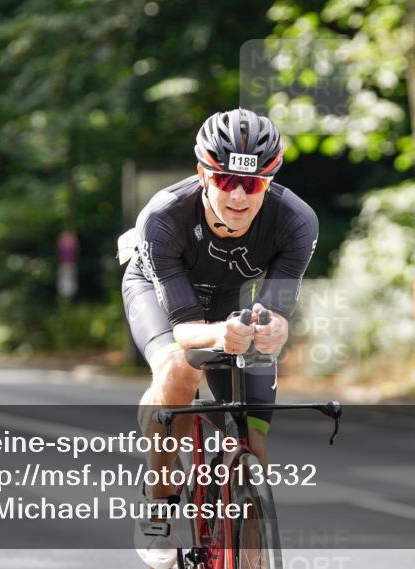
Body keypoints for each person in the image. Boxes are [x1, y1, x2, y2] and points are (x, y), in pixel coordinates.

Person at [120, 107, 318, 569]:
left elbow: (277, 313)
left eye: (253, 184)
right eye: (226, 180)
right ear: (201, 174)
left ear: (268, 182)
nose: (239, 195)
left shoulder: (296, 222)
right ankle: (160, 499)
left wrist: (273, 332)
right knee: (177, 369)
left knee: (253, 444)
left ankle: (248, 556)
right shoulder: (163, 218)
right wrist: (220, 334)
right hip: (161, 296)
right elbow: (186, 328)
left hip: (230, 301)